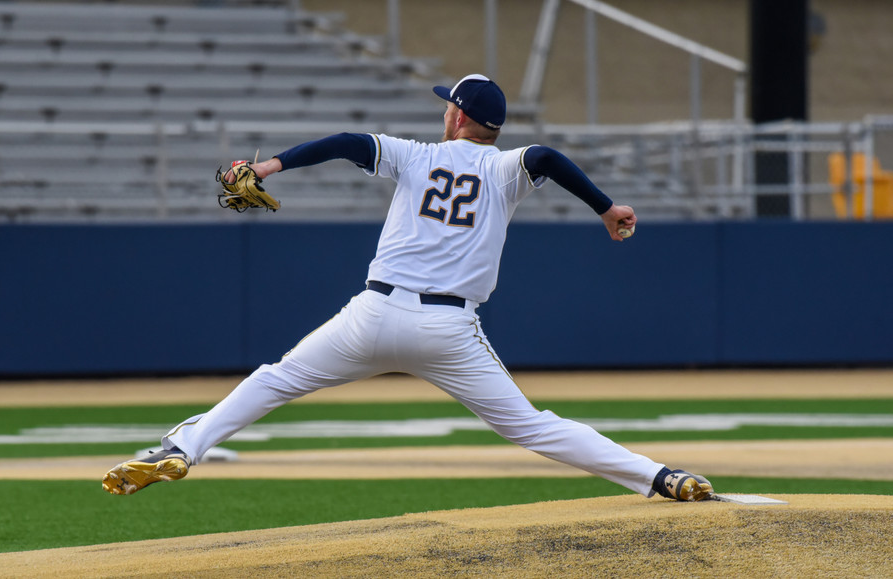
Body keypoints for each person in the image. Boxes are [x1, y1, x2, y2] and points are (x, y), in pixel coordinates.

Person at [102, 74, 714, 503]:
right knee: (532, 426)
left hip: (372, 314)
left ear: (458, 117)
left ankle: (182, 447)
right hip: (448, 330)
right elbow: (548, 157)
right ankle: (660, 477)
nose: (444, 110)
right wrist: (606, 208)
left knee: (275, 379)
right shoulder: (504, 168)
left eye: (449, 105)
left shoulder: (416, 155)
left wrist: (266, 166)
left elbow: (346, 143)